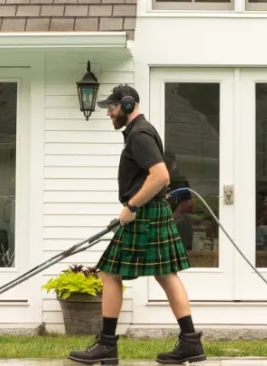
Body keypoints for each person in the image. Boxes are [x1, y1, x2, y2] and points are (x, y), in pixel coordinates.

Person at [67, 84, 206, 365]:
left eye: (112, 106)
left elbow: (160, 176)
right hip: (151, 212)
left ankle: (107, 345)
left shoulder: (140, 135)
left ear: (128, 105)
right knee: (165, 275)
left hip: (144, 213)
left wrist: (131, 206)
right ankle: (190, 342)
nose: (108, 112)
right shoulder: (140, 132)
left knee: (109, 273)